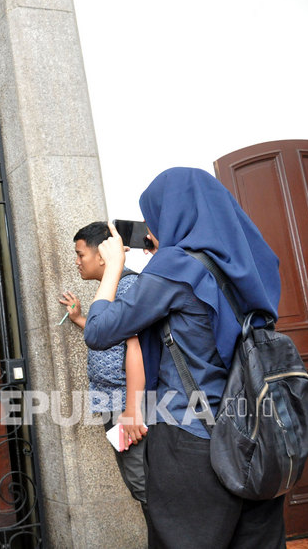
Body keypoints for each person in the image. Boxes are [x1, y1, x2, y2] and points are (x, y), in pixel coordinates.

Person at [84, 167, 285, 548]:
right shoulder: (254, 260)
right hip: (259, 432)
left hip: (194, 438)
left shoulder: (176, 266)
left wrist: (113, 268)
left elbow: (99, 331)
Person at [58, 221, 149, 526]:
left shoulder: (126, 287)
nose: (77, 261)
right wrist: (80, 318)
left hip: (126, 406)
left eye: (80, 254)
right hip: (115, 405)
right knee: (136, 479)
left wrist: (131, 409)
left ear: (101, 255)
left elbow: (136, 348)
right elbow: (112, 333)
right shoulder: (111, 287)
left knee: (142, 482)